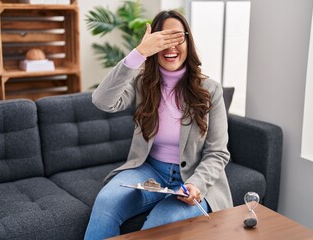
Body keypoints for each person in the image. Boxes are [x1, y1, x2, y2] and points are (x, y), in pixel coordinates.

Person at [84, 10, 233, 240]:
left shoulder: (210, 90)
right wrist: (139, 53)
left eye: (177, 38)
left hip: (192, 179)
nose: (170, 46)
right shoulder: (143, 83)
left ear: (188, 41)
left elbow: (218, 152)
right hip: (149, 170)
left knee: (158, 225)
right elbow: (102, 100)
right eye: (163, 39)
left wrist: (196, 184)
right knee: (105, 202)